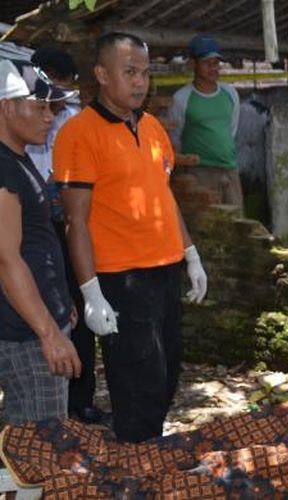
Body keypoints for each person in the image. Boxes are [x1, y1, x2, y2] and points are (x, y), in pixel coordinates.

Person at [53, 32, 208, 443]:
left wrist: (190, 253)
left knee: (166, 376)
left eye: (144, 72)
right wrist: (91, 292)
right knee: (138, 385)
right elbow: (76, 220)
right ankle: (135, 469)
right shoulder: (79, 134)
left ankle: (146, 456)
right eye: (129, 72)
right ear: (102, 75)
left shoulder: (153, 128)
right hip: (120, 278)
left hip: (163, 270)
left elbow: (163, 196)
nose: (140, 82)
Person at [25, 47, 104, 425]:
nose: (54, 102)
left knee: (77, 306)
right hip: (28, 225)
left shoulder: (73, 119)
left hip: (67, 224)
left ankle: (81, 397)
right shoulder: (21, 115)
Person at [0, 59, 82, 426]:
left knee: (35, 450)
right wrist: (49, 333)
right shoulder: (2, 167)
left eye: (52, 107)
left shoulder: (18, 159)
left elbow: (37, 242)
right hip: (27, 335)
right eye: (39, 106)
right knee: (40, 451)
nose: (49, 116)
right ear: (6, 107)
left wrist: (60, 303)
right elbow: (7, 259)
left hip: (39, 320)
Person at [167, 34, 242, 207]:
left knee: (237, 224)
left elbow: (231, 129)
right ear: (193, 64)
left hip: (229, 169)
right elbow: (175, 137)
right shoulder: (182, 98)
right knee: (205, 222)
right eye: (206, 63)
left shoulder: (230, 93)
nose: (213, 67)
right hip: (199, 172)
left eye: (216, 63)